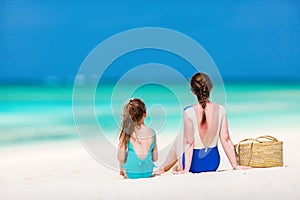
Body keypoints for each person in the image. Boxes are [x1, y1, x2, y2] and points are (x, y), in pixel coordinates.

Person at [156, 72, 251, 174]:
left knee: (180, 138)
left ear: (193, 91)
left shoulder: (188, 112)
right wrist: (235, 165)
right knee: (183, 139)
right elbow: (226, 139)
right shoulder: (221, 109)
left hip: (194, 165)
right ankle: (173, 167)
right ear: (211, 88)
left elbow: (189, 142)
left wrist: (186, 170)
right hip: (213, 163)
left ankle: (163, 169)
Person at [118, 98, 158, 179]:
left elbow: (121, 157)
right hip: (148, 172)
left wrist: (122, 167)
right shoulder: (152, 132)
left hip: (131, 174)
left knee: (122, 150)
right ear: (145, 114)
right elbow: (155, 158)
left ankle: (122, 170)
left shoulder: (127, 132)